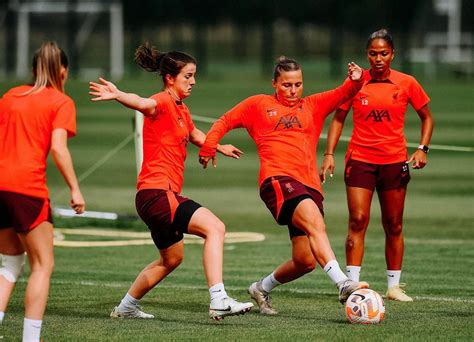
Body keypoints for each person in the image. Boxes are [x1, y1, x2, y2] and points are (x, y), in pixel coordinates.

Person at [89, 43, 253, 321]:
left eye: (194, 75)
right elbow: (144, 103)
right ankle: (218, 300)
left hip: (153, 197)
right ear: (170, 79)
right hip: (157, 192)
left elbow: (195, 134)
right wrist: (118, 95)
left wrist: (217, 146)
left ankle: (126, 307)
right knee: (215, 228)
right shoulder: (162, 102)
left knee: (172, 259)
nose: (193, 81)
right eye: (188, 76)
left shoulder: (182, 110)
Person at [198, 56, 369, 315]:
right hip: (277, 180)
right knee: (313, 219)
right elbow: (224, 121)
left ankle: (260, 288)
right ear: (274, 84)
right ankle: (343, 283)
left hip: (309, 184)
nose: (293, 90)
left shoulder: (313, 104)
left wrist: (358, 78)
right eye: (287, 85)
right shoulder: (258, 104)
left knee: (305, 261)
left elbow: (345, 91)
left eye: (298, 84)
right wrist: (210, 145)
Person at [320, 29, 434, 302]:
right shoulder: (356, 82)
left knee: (393, 224)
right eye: (373, 53)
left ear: (393, 54)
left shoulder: (407, 83)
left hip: (394, 162)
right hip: (360, 160)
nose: (378, 58)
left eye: (384, 53)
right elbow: (338, 119)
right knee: (358, 221)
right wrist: (329, 153)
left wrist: (422, 148)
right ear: (366, 55)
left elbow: (427, 118)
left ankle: (393, 286)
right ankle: (352, 285)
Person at [0, 41, 85, 342]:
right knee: (42, 266)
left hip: (0, 188)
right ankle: (31, 339)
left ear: (33, 68)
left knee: (11, 262)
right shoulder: (60, 102)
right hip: (27, 189)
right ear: (62, 71)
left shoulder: (10, 96)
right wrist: (75, 189)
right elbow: (59, 149)